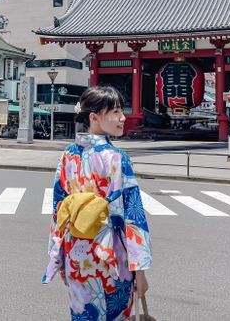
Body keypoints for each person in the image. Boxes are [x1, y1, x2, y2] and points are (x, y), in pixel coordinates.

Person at [43, 86, 152, 320]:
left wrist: (59, 257)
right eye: (114, 112)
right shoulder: (116, 158)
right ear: (93, 117)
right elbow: (133, 217)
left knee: (83, 314)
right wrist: (140, 269)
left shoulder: (67, 156)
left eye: (121, 111)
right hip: (112, 256)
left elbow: (59, 211)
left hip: (77, 254)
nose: (122, 118)